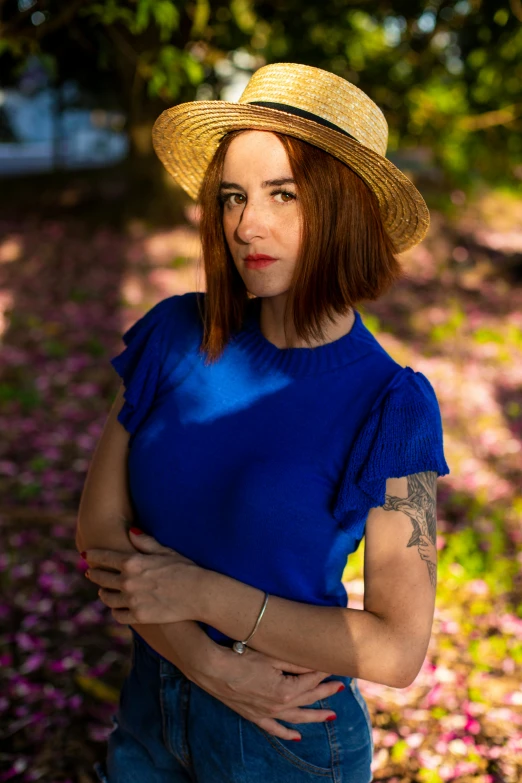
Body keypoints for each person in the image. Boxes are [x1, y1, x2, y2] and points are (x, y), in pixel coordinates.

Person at [76, 62, 450, 783]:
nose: (248, 225)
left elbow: (398, 649)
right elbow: (96, 530)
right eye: (233, 197)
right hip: (149, 721)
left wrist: (208, 595)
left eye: (284, 195)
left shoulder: (394, 406)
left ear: (342, 211)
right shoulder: (173, 334)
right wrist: (208, 661)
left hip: (285, 743)